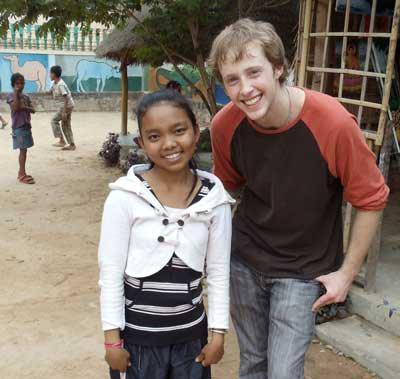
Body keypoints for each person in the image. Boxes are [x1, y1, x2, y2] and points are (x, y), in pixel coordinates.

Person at [208, 18, 389, 379]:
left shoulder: (332, 123)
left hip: (303, 271)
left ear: (278, 68)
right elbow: (223, 191)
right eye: (232, 79)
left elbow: (370, 199)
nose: (245, 89)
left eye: (254, 72)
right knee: (253, 364)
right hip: (244, 261)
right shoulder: (225, 126)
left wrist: (346, 274)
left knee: (284, 373)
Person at [98, 89, 234, 378]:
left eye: (179, 130)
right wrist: (112, 341)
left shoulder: (214, 198)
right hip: (138, 344)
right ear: (142, 143)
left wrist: (218, 333)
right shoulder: (125, 197)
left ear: (197, 133)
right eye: (155, 136)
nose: (169, 144)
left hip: (191, 342)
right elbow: (110, 273)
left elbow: (220, 271)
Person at [6, 73, 36, 185]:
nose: (20, 85)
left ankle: (21, 172)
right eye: (17, 83)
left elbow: (33, 109)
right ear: (13, 84)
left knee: (24, 151)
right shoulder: (11, 96)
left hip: (26, 126)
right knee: (22, 151)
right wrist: (16, 93)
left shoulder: (26, 97)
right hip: (18, 127)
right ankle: (22, 174)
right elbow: (15, 107)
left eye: (22, 83)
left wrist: (25, 107)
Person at [49, 65, 76, 150]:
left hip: (66, 106)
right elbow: (50, 91)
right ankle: (70, 144)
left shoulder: (61, 85)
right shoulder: (55, 83)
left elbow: (66, 97)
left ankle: (62, 141)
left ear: (54, 74)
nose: (49, 75)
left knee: (54, 120)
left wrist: (64, 112)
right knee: (65, 124)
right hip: (68, 106)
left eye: (50, 73)